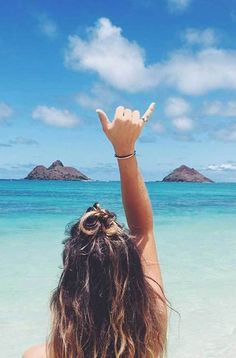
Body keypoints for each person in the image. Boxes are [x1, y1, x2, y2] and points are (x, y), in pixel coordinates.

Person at [23, 103, 168, 358]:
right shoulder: (148, 339)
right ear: (132, 276)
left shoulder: (40, 355)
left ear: (68, 288)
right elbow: (143, 230)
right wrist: (125, 150)